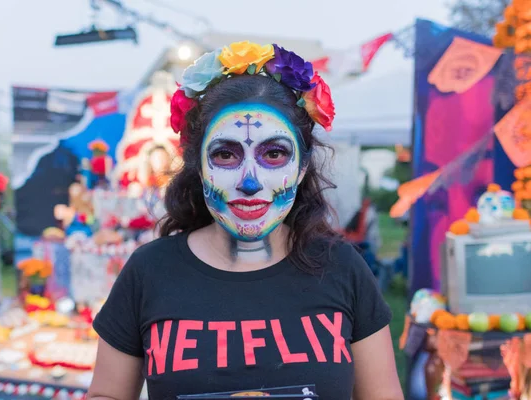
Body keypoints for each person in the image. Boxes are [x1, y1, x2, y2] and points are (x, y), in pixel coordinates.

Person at [89, 42, 403, 400]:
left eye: (273, 153)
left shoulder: (341, 268)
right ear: (199, 166)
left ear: (301, 168)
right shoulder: (148, 271)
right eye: (225, 154)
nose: (249, 182)